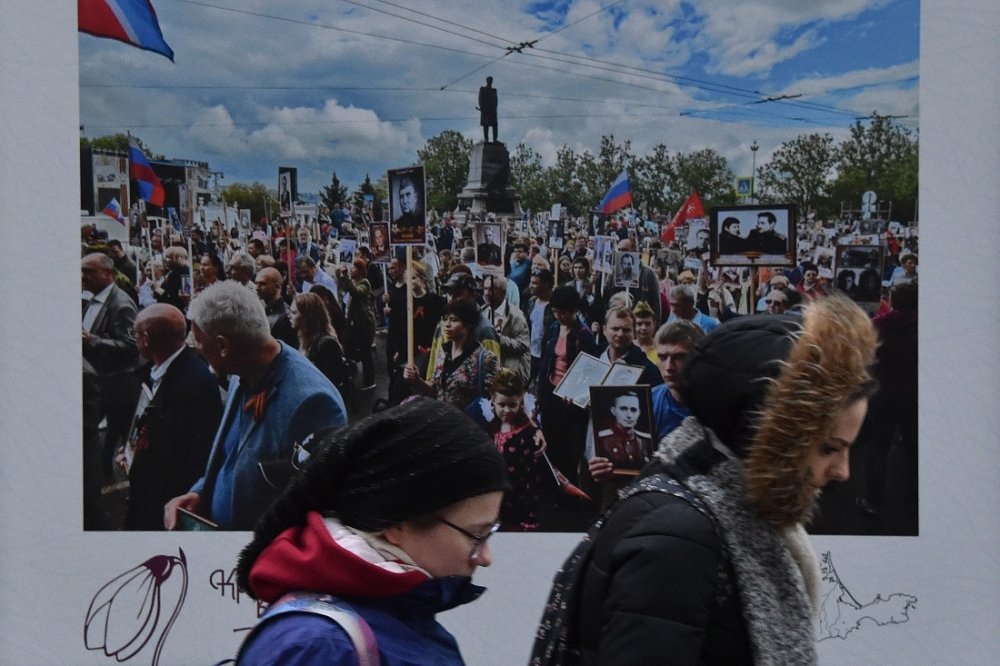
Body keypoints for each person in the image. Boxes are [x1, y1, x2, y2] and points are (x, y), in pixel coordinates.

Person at [534, 296, 878, 664]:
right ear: (772, 435)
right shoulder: (679, 540)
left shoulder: (705, 512)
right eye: (829, 447)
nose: (843, 471)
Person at [233, 399, 509, 664]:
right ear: (397, 524)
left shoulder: (402, 614)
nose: (486, 556)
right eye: (477, 534)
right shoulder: (315, 647)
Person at [163, 282, 347, 531]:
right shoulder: (243, 369)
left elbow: (314, 513)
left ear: (223, 346)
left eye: (199, 343)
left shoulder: (314, 402)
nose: (198, 351)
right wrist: (201, 493)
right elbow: (230, 455)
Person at [117, 304, 223, 530]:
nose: (135, 340)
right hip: (147, 496)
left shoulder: (194, 382)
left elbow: (194, 454)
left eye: (135, 335)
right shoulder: (155, 370)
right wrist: (132, 448)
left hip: (167, 505)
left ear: (146, 338)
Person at [82, 252, 142, 476]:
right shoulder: (92, 299)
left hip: (115, 385)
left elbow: (131, 346)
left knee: (120, 436)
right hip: (100, 382)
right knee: (112, 435)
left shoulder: (121, 304)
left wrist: (93, 340)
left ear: (108, 274)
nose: (83, 276)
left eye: (89, 272)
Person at [405, 299, 500, 409]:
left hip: (468, 422)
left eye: (454, 320)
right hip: (442, 419)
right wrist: (416, 379)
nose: (447, 325)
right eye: (445, 319)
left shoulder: (485, 359)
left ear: (468, 325)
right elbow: (434, 392)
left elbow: (496, 400)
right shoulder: (443, 352)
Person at [487, 369, 545, 531]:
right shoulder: (490, 426)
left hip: (519, 505)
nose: (506, 410)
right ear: (493, 400)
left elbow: (533, 480)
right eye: (501, 404)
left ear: (521, 401)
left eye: (512, 405)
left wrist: (530, 515)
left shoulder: (529, 435)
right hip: (493, 502)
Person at [290, 292, 354, 395]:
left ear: (307, 316)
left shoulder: (326, 344)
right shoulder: (302, 340)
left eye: (294, 313)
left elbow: (334, 383)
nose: (289, 316)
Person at [483, 274, 531, 383]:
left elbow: (522, 345)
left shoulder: (516, 316)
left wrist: (498, 338)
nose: (487, 293)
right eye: (485, 289)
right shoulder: (484, 312)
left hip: (510, 375)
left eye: (492, 289)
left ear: (503, 292)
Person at [255, 267, 298, 348]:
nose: (257, 288)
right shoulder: (262, 310)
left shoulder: (286, 317)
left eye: (262, 284)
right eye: (256, 283)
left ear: (277, 286)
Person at [478, 75, 498, 143]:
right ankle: (486, 139)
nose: (490, 82)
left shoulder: (494, 90)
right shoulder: (482, 89)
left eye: (491, 80)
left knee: (495, 125)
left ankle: (495, 139)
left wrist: (494, 109)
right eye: (489, 80)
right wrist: (482, 108)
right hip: (485, 111)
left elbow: (496, 101)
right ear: (487, 81)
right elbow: (480, 99)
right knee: (486, 125)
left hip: (492, 111)